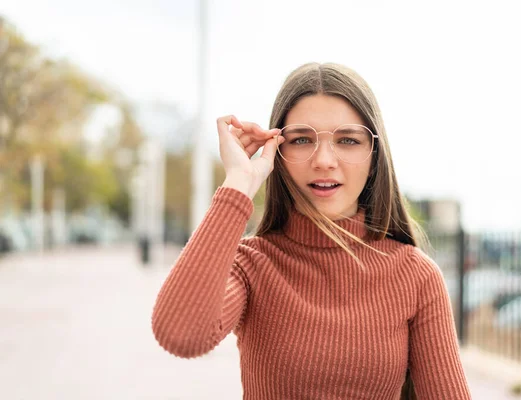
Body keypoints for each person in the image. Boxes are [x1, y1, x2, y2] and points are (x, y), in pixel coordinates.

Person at [151, 62, 472, 400]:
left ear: (374, 156)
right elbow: (179, 335)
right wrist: (238, 184)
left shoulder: (415, 275)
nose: (323, 160)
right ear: (277, 151)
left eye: (347, 140)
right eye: (302, 139)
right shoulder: (252, 266)